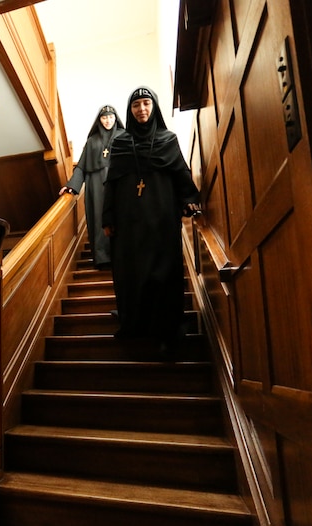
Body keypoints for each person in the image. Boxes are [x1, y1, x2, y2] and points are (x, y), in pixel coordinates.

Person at [102, 86, 201, 356]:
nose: (141, 110)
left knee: (164, 276)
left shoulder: (168, 139)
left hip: (162, 221)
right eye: (136, 105)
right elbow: (110, 183)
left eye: (146, 104)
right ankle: (134, 325)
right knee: (131, 274)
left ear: (154, 107)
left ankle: (166, 333)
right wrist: (107, 216)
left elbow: (180, 172)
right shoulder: (120, 143)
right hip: (128, 224)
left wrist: (189, 198)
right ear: (130, 111)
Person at [60, 105, 125, 269]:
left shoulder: (124, 136)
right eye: (104, 118)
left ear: (115, 118)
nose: (108, 121)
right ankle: (102, 258)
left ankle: (123, 256)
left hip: (119, 183)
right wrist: (72, 186)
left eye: (110, 117)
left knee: (121, 216)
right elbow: (81, 166)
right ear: (99, 120)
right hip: (95, 184)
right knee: (97, 218)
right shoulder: (92, 141)